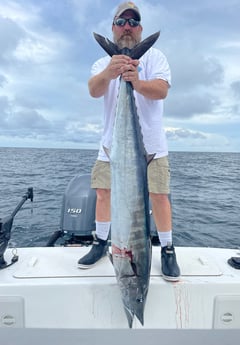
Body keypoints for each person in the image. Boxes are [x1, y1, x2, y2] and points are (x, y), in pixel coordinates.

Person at [78, 1, 180, 281]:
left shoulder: (156, 57)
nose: (127, 27)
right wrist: (110, 73)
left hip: (153, 145)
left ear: (140, 29)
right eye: (122, 22)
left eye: (133, 23)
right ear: (113, 27)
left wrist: (135, 81)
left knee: (159, 196)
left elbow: (161, 91)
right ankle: (100, 242)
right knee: (102, 193)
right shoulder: (102, 62)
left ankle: (168, 249)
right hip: (112, 146)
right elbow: (94, 91)